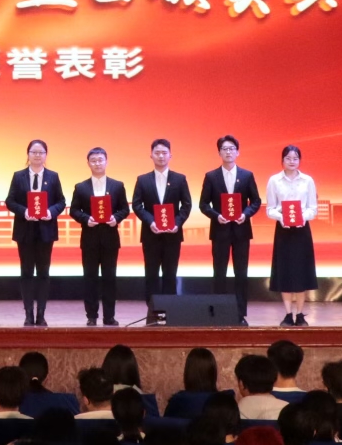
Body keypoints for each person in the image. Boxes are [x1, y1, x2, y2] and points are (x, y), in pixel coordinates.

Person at [6, 140, 65, 326]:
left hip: (46, 231)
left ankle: (41, 313)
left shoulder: (53, 176)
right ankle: (28, 313)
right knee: (26, 272)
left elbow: (61, 201)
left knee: (43, 273)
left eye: (41, 152)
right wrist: (24, 212)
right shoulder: (19, 176)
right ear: (28, 154)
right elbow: (10, 201)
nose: (37, 155)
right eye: (34, 152)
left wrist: (50, 212)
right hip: (25, 230)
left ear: (46, 155)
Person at [136, 140, 191, 324]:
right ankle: (152, 313)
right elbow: (137, 205)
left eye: (164, 152)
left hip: (172, 235)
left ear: (170, 155)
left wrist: (177, 223)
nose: (161, 156)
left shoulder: (179, 179)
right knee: (151, 274)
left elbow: (187, 205)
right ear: (151, 155)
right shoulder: (142, 180)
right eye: (157, 152)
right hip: (151, 234)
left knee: (170, 274)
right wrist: (150, 221)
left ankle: (169, 312)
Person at [72, 148, 126, 327]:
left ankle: (109, 316)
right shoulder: (81, 187)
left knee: (110, 278)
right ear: (88, 163)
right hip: (90, 239)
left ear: (106, 162)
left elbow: (124, 209)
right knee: (90, 278)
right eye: (93, 160)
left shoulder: (117, 185)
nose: (97, 163)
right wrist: (86, 219)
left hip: (110, 238)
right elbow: (74, 210)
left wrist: (116, 218)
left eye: (100, 160)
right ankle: (91, 316)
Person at [266, 144, 319, 326]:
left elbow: (312, 208)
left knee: (301, 271)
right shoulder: (274, 181)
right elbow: (270, 209)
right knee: (285, 271)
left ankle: (300, 314)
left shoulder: (307, 181)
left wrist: (301, 217)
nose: (292, 161)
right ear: (282, 160)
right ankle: (288, 314)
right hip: (283, 231)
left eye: (295, 158)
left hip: (302, 231)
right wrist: (283, 217)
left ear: (299, 160)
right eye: (288, 158)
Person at [203, 136, 258, 303]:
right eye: (225, 149)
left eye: (232, 148)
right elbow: (203, 204)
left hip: (241, 230)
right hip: (220, 231)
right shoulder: (211, 176)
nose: (228, 152)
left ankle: (240, 311)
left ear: (237, 152)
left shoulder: (247, 175)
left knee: (241, 272)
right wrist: (216, 216)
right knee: (219, 271)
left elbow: (256, 201)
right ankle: (219, 310)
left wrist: (245, 214)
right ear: (219, 152)